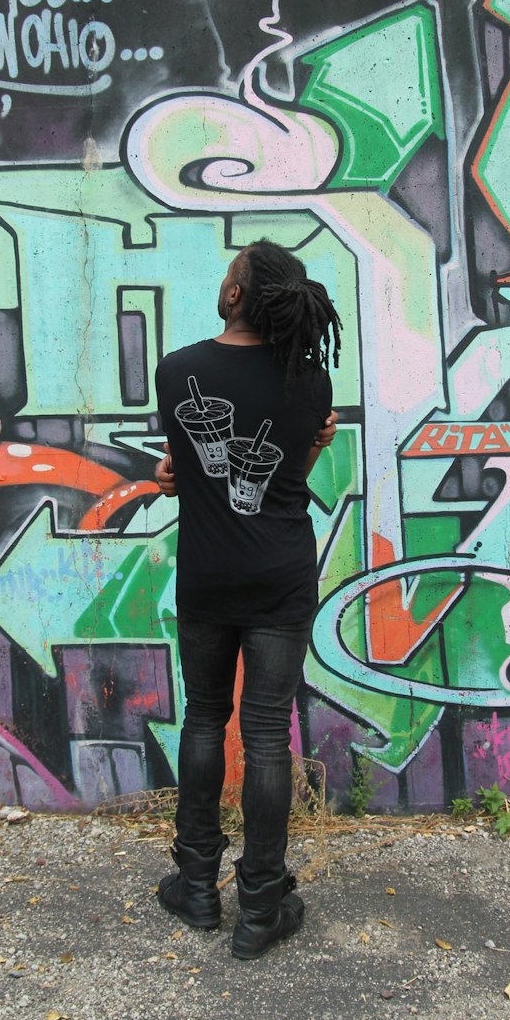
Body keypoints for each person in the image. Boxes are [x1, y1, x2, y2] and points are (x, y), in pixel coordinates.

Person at [153, 239, 340, 960]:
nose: (223, 278)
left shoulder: (178, 372)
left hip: (206, 575)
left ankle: (197, 887)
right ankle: (260, 907)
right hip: (282, 577)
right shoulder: (310, 382)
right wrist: (316, 444)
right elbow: (287, 475)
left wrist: (174, 477)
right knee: (267, 734)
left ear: (237, 296)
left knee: (204, 719)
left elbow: (190, 472)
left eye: (228, 271)